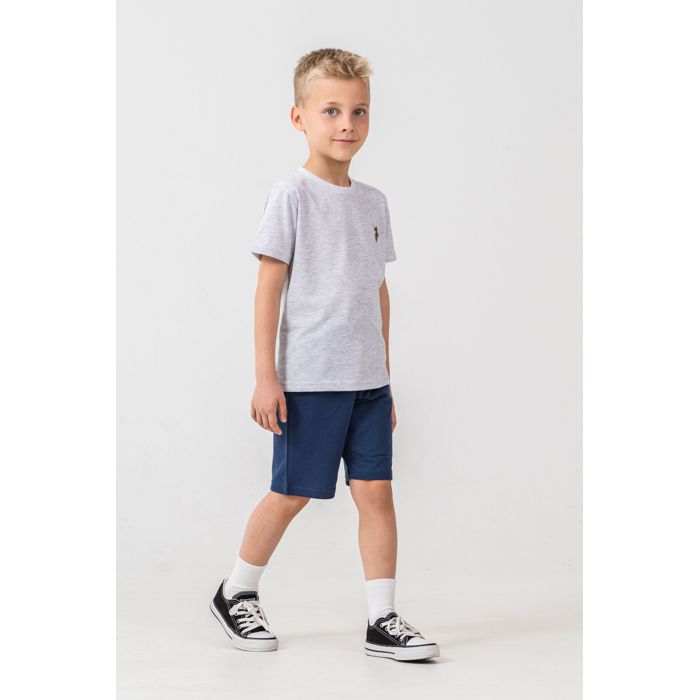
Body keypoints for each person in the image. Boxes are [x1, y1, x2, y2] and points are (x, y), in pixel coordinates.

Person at [210, 48, 440, 662]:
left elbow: (377, 289)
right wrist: (266, 377)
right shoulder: (291, 195)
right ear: (299, 118)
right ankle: (236, 591)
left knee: (376, 495)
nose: (347, 124)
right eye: (331, 110)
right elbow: (269, 288)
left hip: (368, 384)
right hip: (310, 380)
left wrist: (384, 377)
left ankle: (382, 617)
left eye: (359, 111)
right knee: (292, 494)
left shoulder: (374, 202)